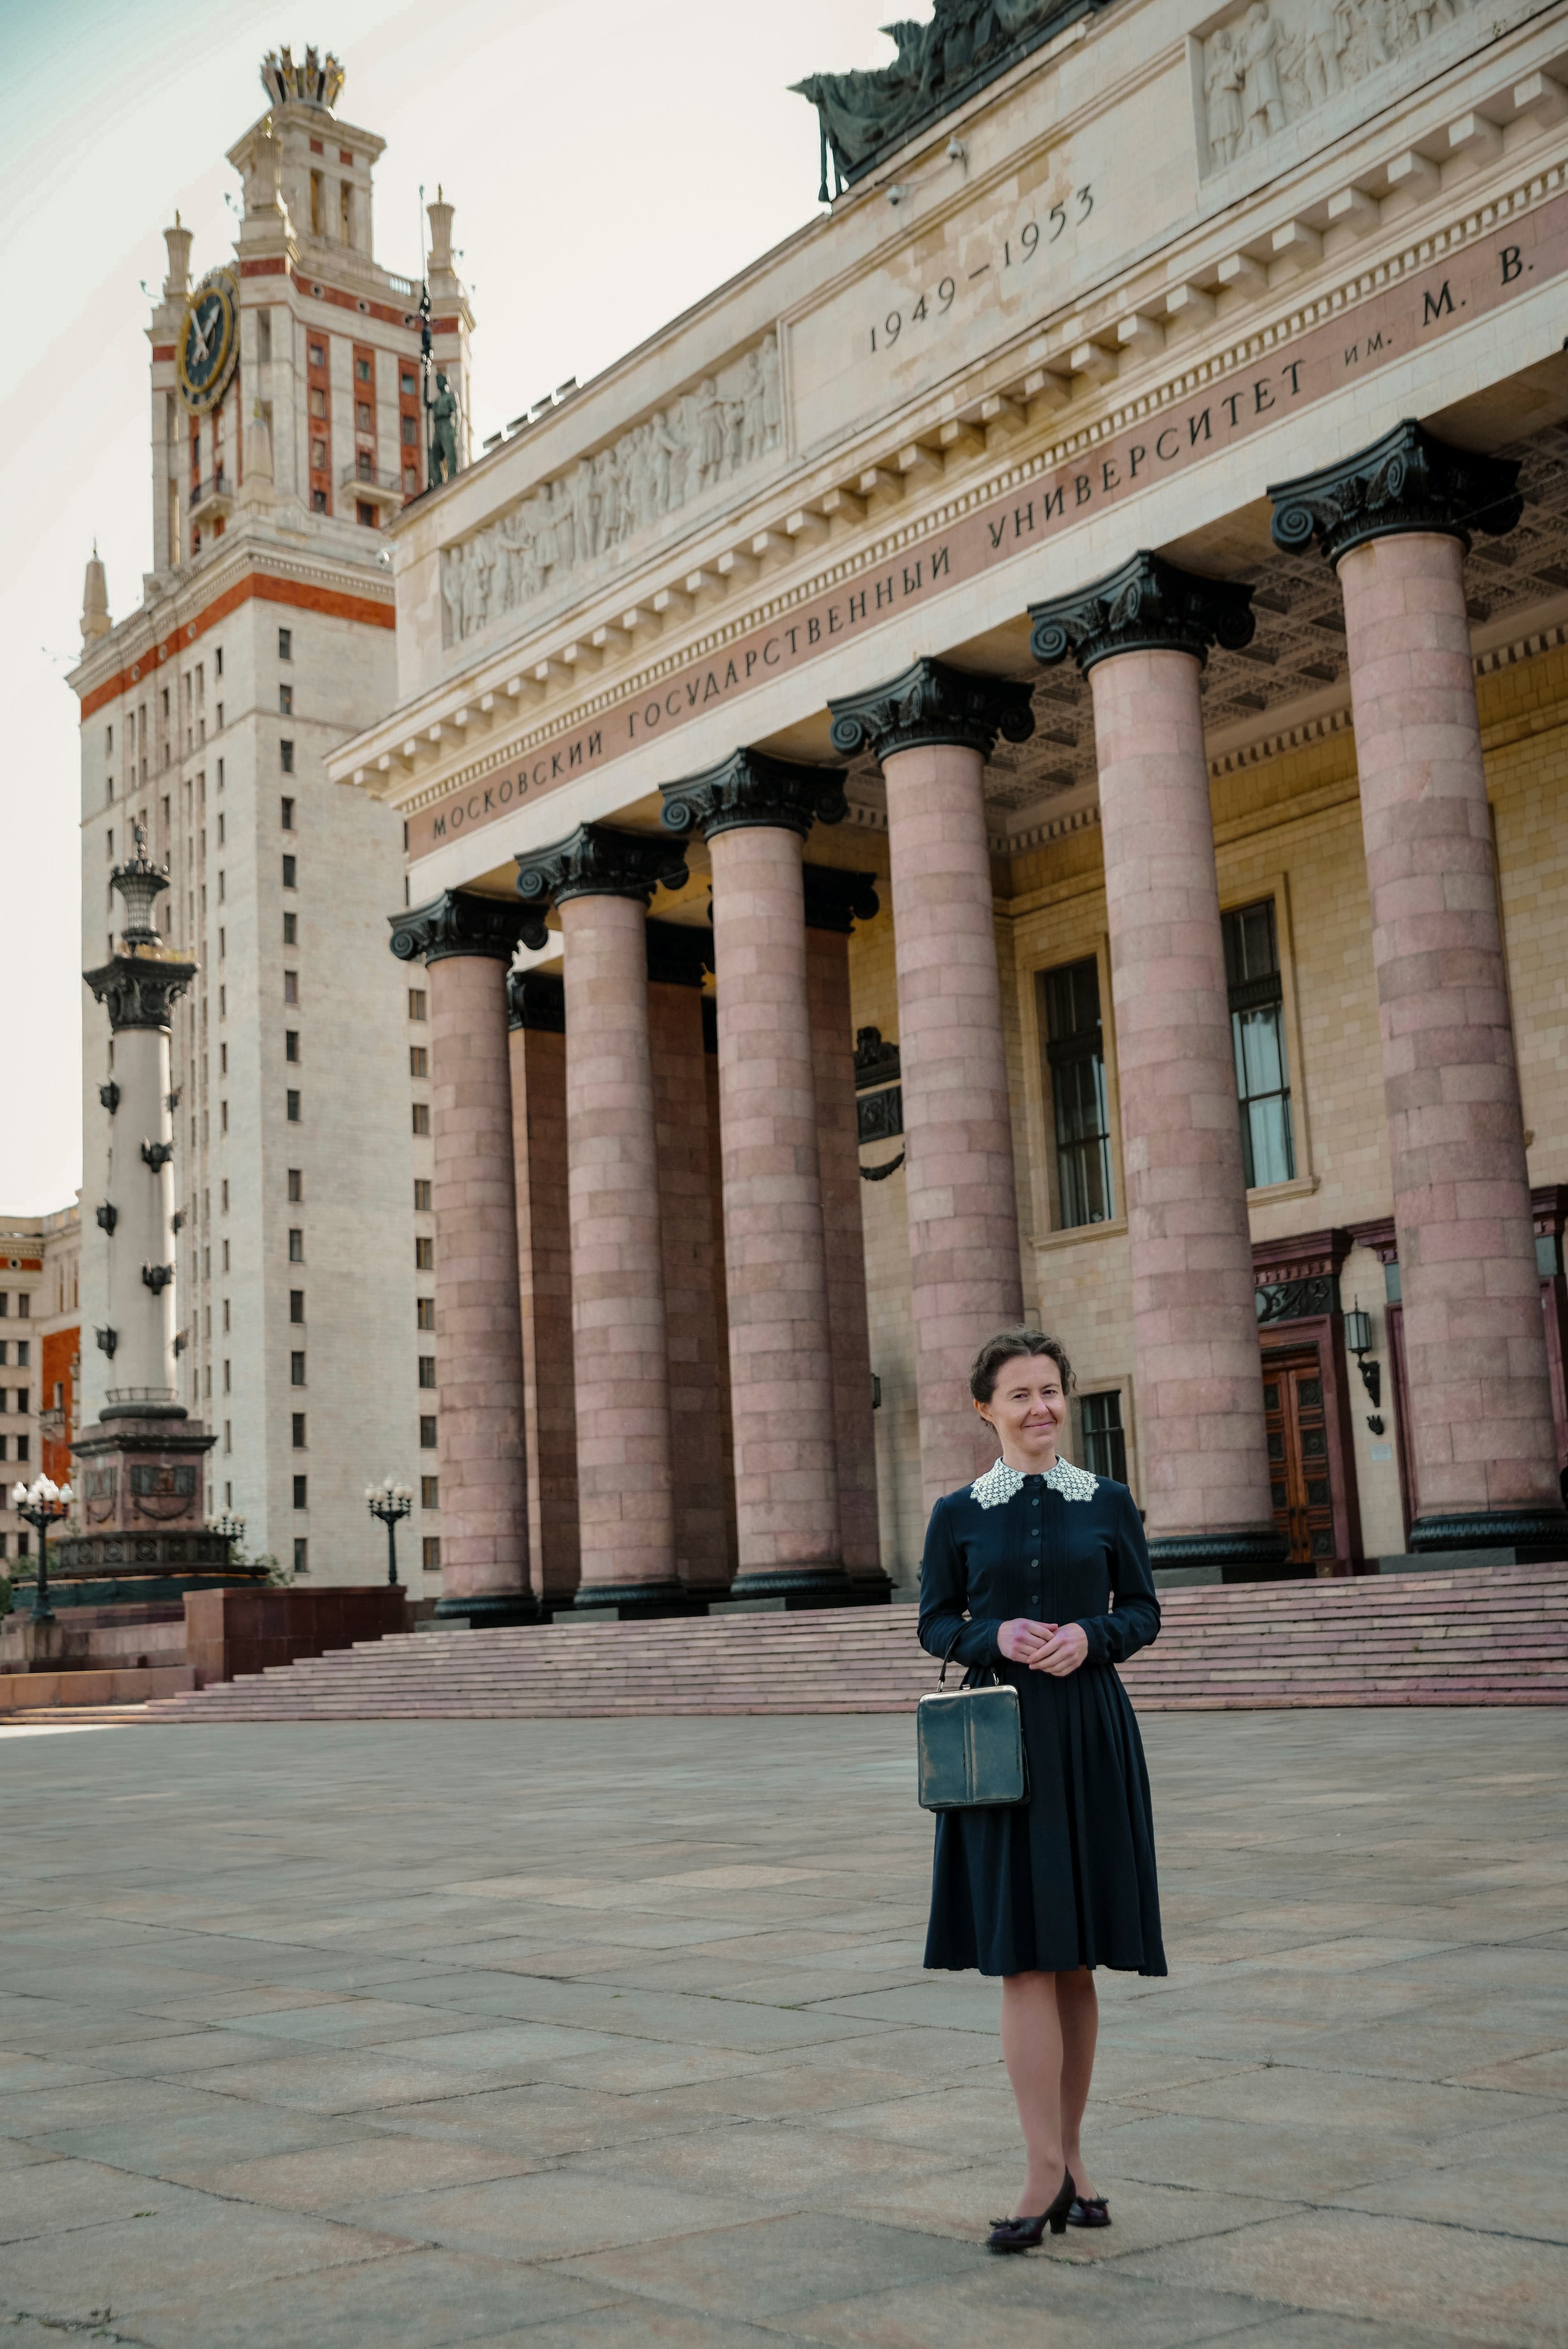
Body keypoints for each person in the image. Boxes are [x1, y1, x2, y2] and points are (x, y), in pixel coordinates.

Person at [918, 1327, 1165, 2252]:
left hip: (1091, 1735)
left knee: (1075, 1957)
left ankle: (1071, 2161)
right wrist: (997, 1638)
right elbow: (936, 1621)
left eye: (1052, 1391)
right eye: (1019, 1394)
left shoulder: (1107, 1500)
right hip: (1003, 1749)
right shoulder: (957, 1513)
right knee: (1024, 1952)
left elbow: (1141, 1609)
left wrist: (1091, 1639)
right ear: (987, 1407)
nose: (1040, 1408)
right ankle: (1043, 2169)